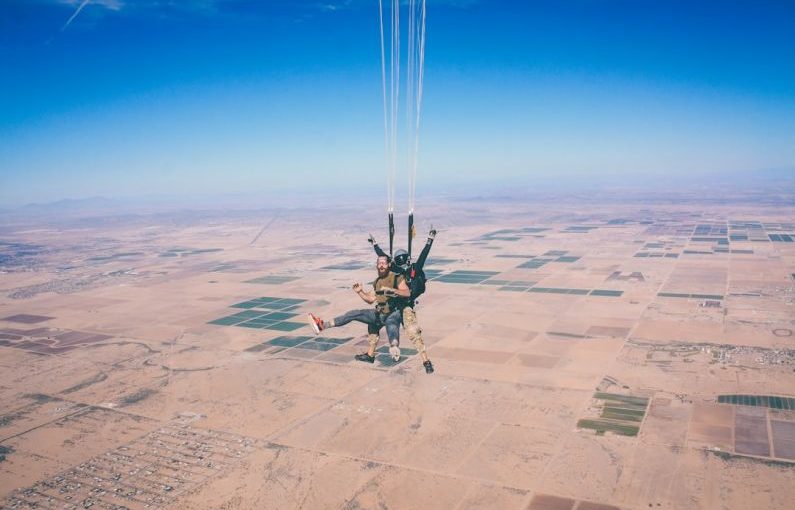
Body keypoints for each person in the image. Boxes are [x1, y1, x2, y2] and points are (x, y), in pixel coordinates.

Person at [308, 255, 410, 363]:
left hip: (392, 314)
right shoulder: (377, 282)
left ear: (389, 264)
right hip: (379, 314)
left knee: (392, 327)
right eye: (379, 263)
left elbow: (407, 293)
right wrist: (360, 292)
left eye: (383, 263)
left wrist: (393, 291)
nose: (381, 265)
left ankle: (394, 347)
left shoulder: (396, 278)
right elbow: (370, 299)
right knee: (356, 315)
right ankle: (322, 326)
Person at [369, 227, 436, 374]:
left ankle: (426, 361)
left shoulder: (409, 270)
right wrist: (430, 239)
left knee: (411, 331)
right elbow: (384, 256)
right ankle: (370, 354)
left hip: (405, 305)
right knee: (377, 323)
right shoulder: (405, 269)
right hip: (397, 304)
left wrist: (375, 245)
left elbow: (423, 255)